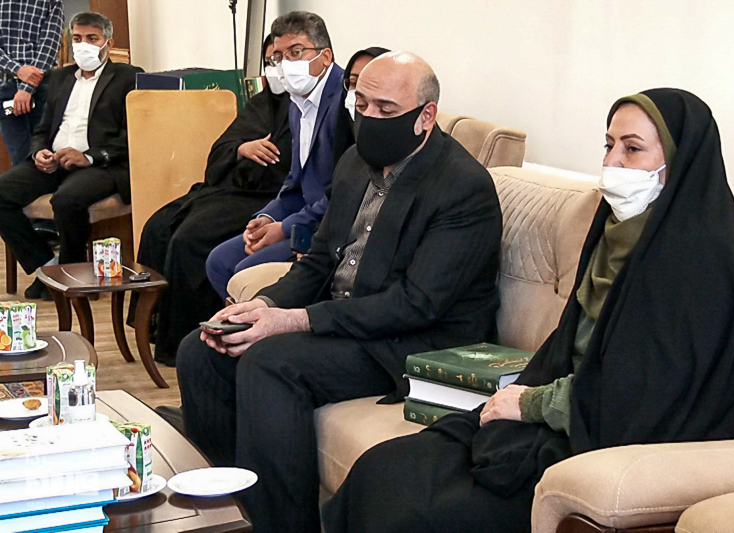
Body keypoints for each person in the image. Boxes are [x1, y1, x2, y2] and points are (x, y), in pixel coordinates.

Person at [322, 89, 734, 533]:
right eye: (609, 145)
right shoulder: (621, 232)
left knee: (417, 511)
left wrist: (531, 403)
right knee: (383, 466)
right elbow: (569, 347)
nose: (613, 162)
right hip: (564, 417)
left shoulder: (706, 264)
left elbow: (644, 395)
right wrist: (523, 400)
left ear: (680, 162)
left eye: (633, 149)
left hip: (611, 442)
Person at [175, 52, 503, 532]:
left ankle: (284, 526)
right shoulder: (355, 163)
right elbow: (318, 262)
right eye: (361, 103)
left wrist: (293, 320)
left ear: (426, 116)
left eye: (386, 109)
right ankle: (229, 511)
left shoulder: (463, 186)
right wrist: (263, 304)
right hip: (350, 323)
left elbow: (417, 304)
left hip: (414, 343)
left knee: (271, 362)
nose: (368, 118)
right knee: (202, 349)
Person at [135, 34, 292, 367]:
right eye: (271, 59)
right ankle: (154, 325)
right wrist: (242, 149)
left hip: (266, 196)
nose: (277, 66)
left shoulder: (310, 110)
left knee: (189, 239)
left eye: (286, 57)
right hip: (230, 187)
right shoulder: (261, 103)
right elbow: (222, 148)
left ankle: (181, 340)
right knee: (157, 226)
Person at [205, 10, 354, 298]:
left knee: (244, 269)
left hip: (331, 226)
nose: (286, 64)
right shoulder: (297, 103)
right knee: (219, 262)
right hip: (303, 217)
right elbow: (296, 181)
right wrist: (266, 218)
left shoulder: (345, 103)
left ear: (325, 56)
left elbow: (345, 190)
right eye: (278, 57)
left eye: (296, 52)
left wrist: (285, 228)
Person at [0, 12, 142, 299]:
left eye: (92, 38)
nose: (83, 45)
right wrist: (39, 151)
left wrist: (88, 157)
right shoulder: (60, 77)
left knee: (66, 200)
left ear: (108, 43)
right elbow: (43, 128)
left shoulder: (129, 77)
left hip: (101, 165)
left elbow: (133, 135)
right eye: (77, 38)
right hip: (54, 161)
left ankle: (72, 274)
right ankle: (47, 266)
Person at [0, 0, 64, 166]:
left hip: (42, 86)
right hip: (6, 88)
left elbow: (50, 43)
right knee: (20, 156)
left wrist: (26, 88)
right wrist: (18, 70)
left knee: (47, 152)